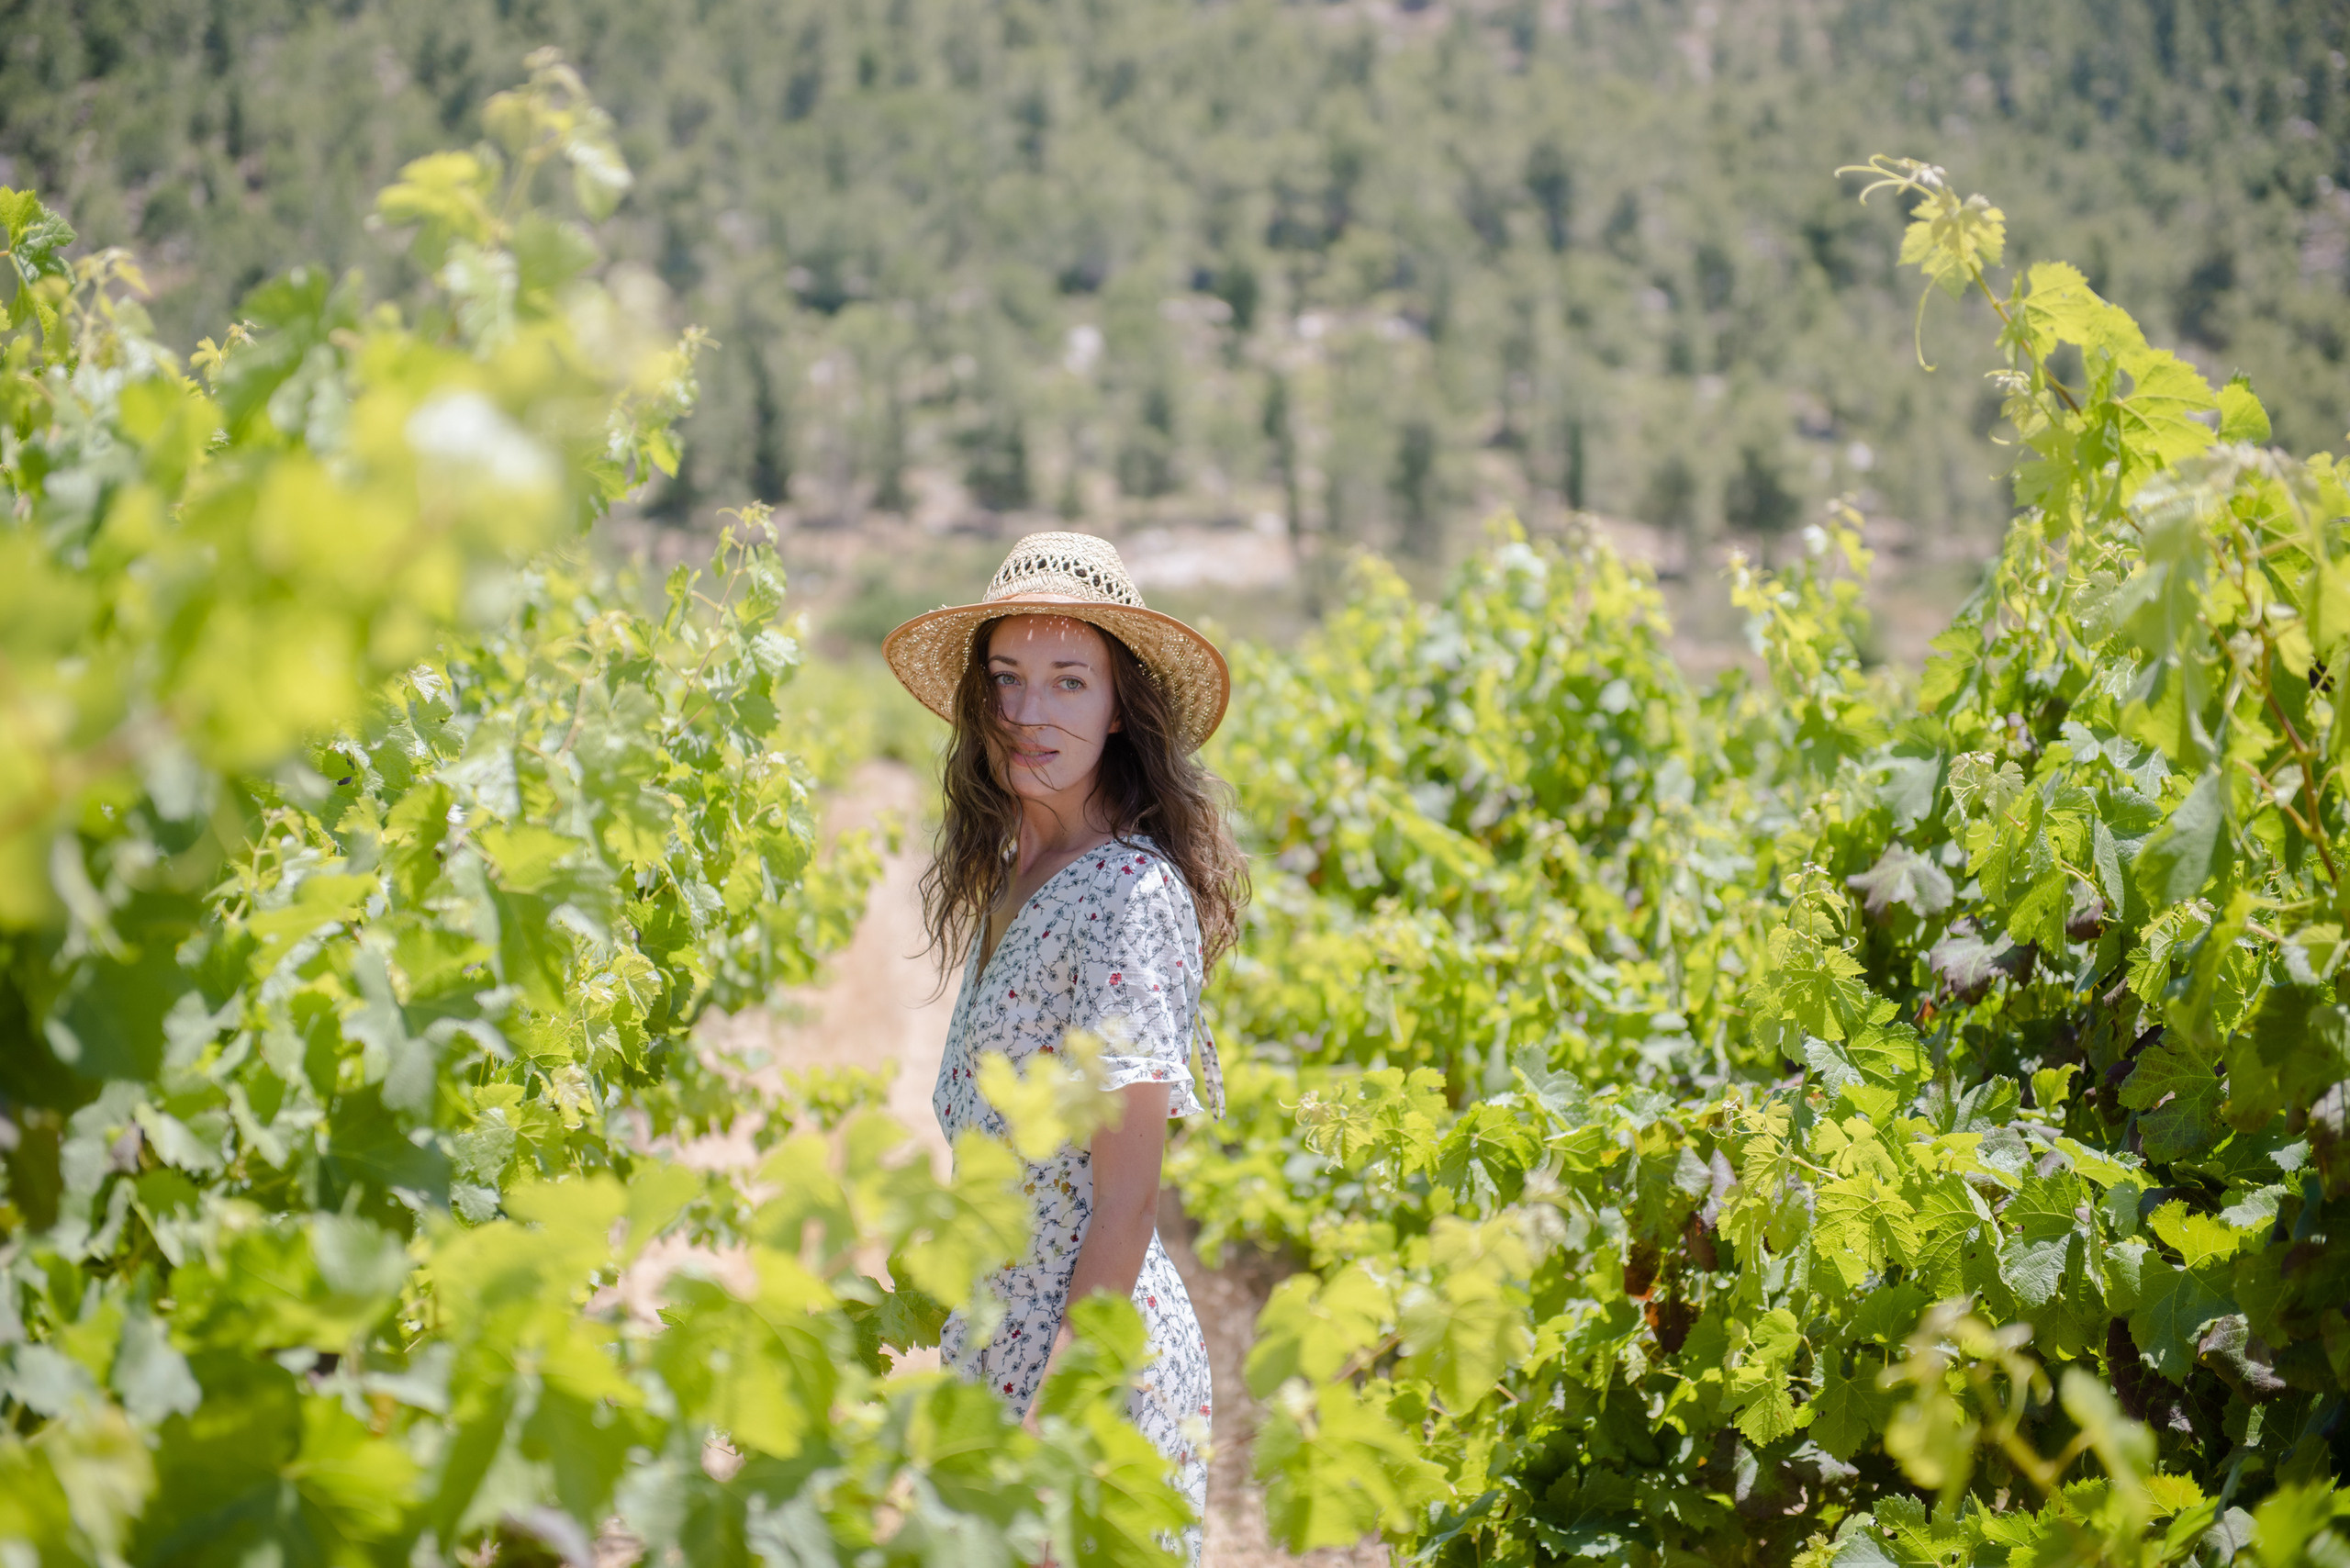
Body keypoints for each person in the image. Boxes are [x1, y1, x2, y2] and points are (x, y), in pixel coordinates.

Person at [884, 531, 1248, 1562]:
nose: (1029, 712)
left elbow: (1126, 1200)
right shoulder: (1013, 871)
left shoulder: (1128, 897)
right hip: (999, 1353)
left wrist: (1057, 1423)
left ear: (1119, 703)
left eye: (1067, 680)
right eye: (1005, 678)